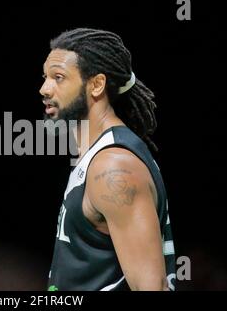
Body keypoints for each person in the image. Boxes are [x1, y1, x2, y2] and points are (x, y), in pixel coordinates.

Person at [40, 28, 175, 291]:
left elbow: (151, 287)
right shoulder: (94, 157)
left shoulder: (114, 167)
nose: (44, 88)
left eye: (58, 77)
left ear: (97, 85)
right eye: (45, 77)